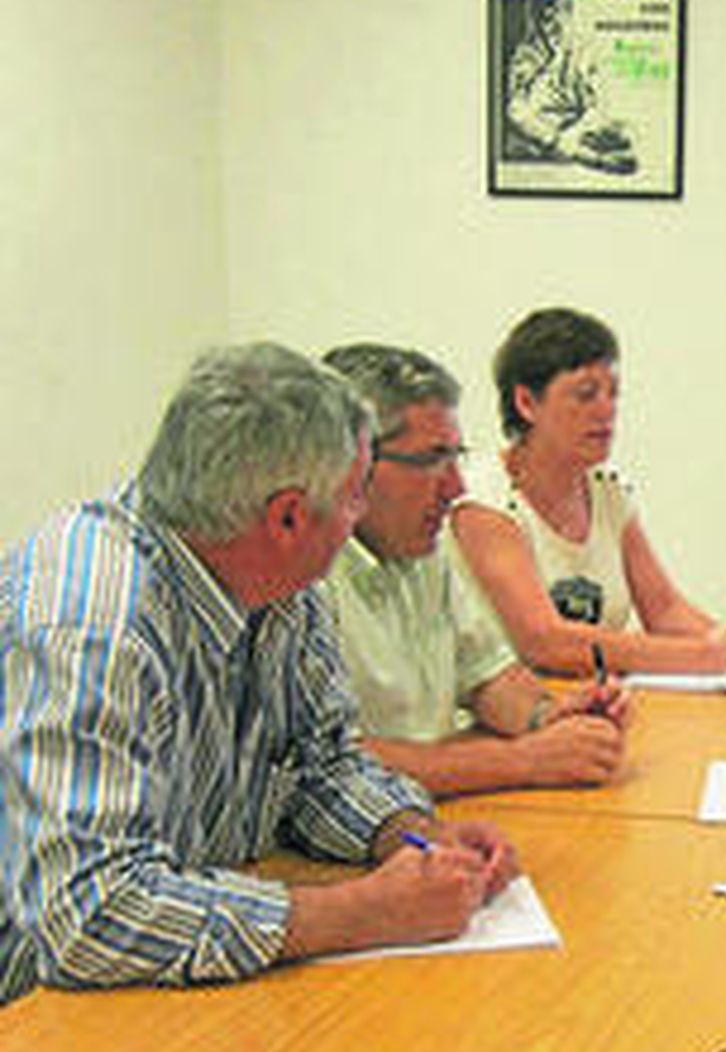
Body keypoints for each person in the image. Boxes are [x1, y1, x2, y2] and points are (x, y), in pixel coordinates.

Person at [0, 345, 519, 1005]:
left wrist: (411, 838)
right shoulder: (91, 620)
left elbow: (321, 765)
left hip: (182, 977)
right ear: (287, 517)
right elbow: (91, 913)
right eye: (357, 495)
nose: (358, 519)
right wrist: (361, 911)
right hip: (35, 1017)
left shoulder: (282, 582)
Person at [321, 343, 629, 796]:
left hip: (431, 816)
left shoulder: (422, 549)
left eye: (456, 457)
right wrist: (522, 760)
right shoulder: (303, 578)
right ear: (354, 464)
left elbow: (486, 675)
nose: (456, 486)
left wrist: (549, 716)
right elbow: (329, 762)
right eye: (432, 460)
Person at [452, 307, 726, 676]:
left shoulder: (607, 489)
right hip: (518, 718)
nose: (606, 410)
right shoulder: (484, 499)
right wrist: (709, 656)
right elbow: (546, 643)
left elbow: (664, 611)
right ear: (527, 403)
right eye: (586, 395)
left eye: (614, 393)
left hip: (599, 704)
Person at [503, 0, 638, 175]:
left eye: (558, 17)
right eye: (544, 20)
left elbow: (596, 105)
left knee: (624, 131)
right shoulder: (526, 54)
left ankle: (580, 151)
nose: (550, 27)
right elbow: (517, 106)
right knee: (516, 114)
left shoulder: (584, 49)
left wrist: (573, 133)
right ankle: (595, 161)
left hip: (578, 124)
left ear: (569, 17)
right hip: (543, 124)